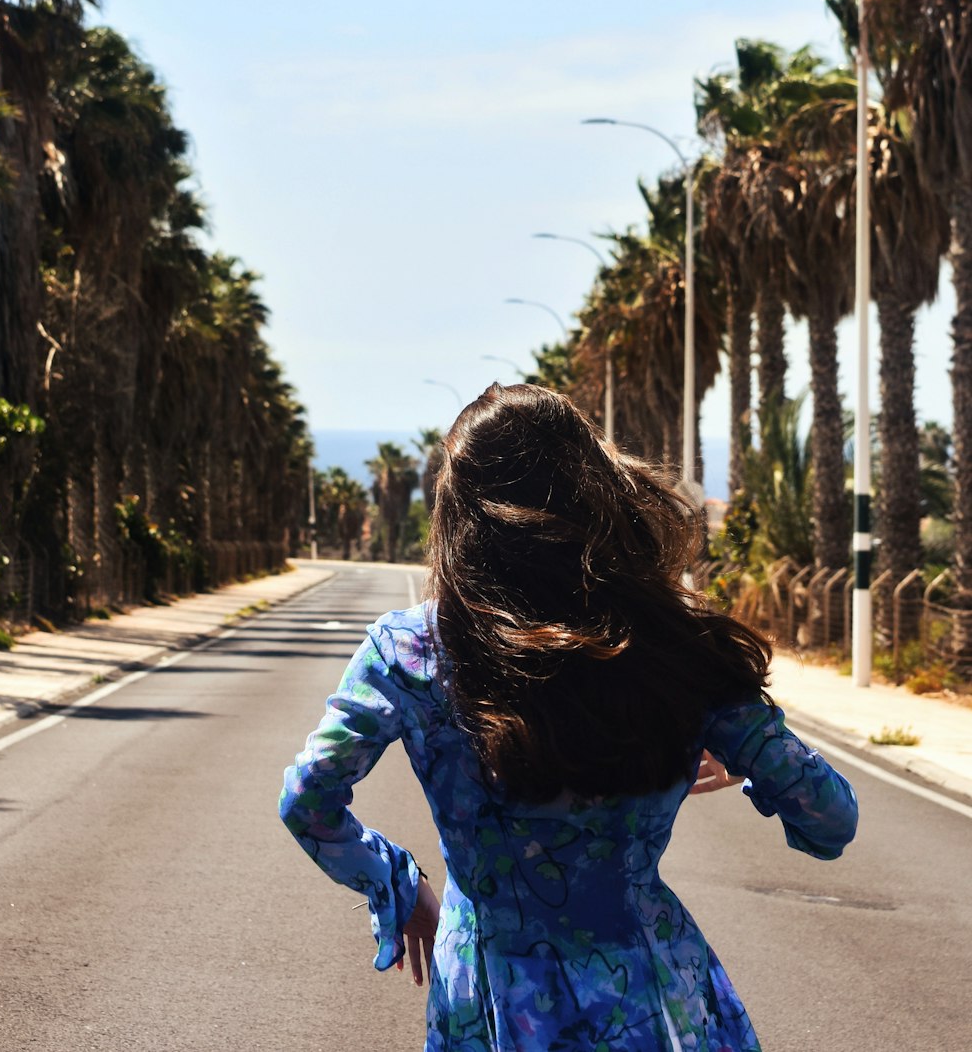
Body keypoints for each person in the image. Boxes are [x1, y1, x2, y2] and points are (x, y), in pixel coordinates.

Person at [280, 383, 858, 1051]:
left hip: (494, 999)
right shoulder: (674, 645)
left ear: (459, 511)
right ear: (596, 492)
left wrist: (396, 884)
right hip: (656, 999)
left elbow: (307, 802)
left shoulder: (410, 652)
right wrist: (749, 763)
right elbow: (831, 818)